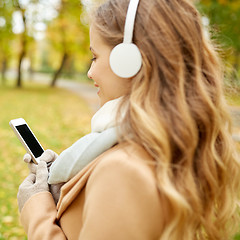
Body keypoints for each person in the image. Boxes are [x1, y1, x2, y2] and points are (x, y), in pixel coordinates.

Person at [17, 0, 240, 239]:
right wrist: (68, 186)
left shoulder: (123, 172)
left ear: (128, 61)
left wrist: (37, 208)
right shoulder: (169, 145)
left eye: (95, 57)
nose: (90, 72)